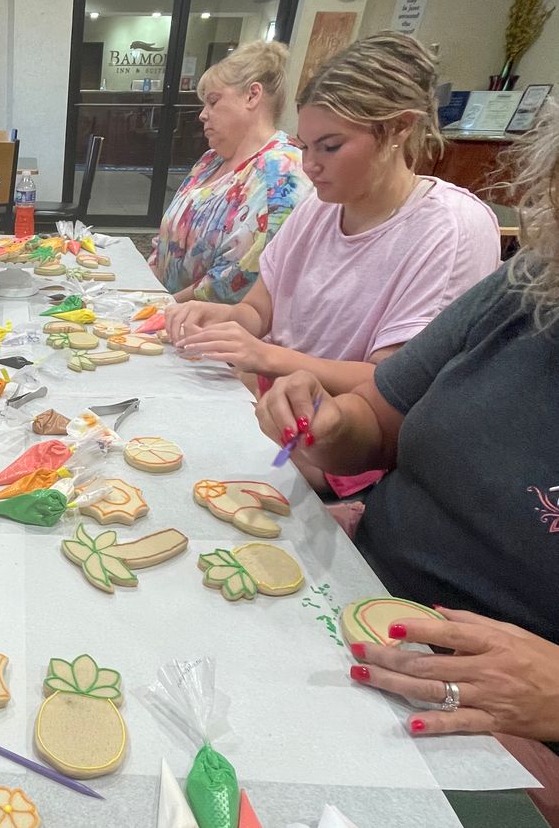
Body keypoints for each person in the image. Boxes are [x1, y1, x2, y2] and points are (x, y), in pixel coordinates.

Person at [255, 101, 559, 745]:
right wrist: (330, 425)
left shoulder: (449, 227)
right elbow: (376, 420)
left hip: (504, 718)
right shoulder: (530, 288)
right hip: (357, 590)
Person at [164, 32, 501, 496]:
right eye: (305, 146)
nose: (309, 165)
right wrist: (224, 318)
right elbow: (259, 309)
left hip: (344, 450)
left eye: (330, 146)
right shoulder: (319, 207)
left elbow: (395, 388)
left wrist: (266, 355)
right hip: (269, 408)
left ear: (399, 128)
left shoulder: (449, 228)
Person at [149, 40, 311, 301]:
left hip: (206, 320)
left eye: (213, 102)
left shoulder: (281, 174)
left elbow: (236, 281)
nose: (203, 115)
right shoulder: (210, 160)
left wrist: (161, 306)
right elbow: (168, 242)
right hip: (162, 307)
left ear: (252, 96)